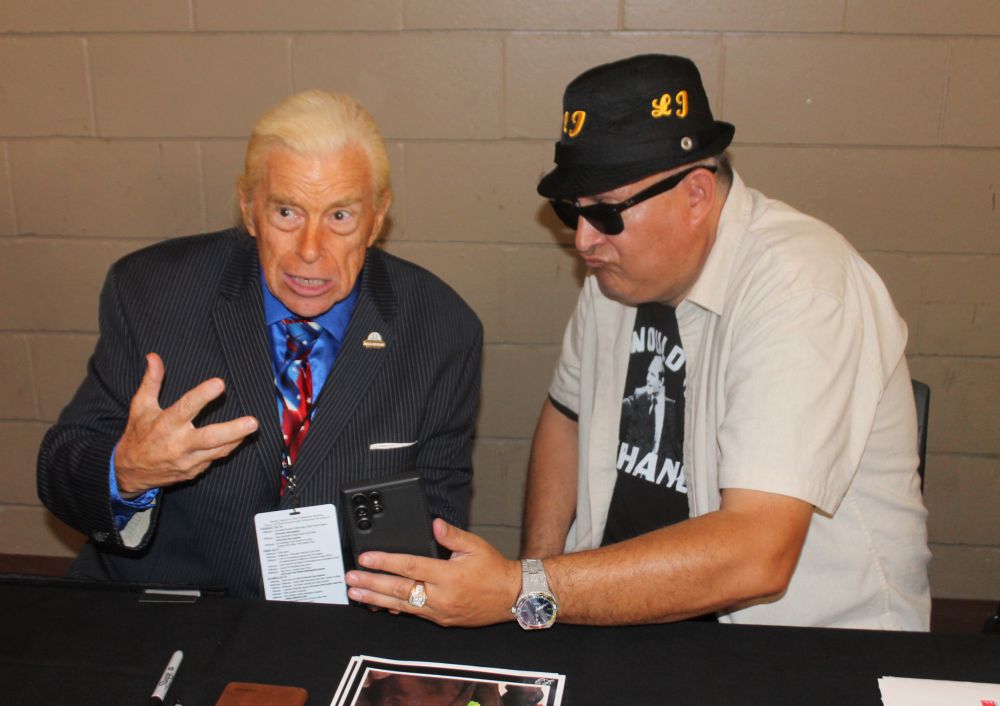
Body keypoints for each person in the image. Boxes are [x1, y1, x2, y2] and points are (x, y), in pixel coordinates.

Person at [345, 54, 931, 630]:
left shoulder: (802, 287)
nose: (583, 240)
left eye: (606, 213)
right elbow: (565, 417)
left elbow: (758, 554)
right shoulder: (616, 275)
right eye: (570, 211)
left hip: (801, 649)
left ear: (697, 195)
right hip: (617, 609)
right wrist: (539, 579)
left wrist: (522, 593)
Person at [37, 90, 483, 599]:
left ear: (377, 218)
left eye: (340, 217)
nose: (311, 250)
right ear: (248, 208)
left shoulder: (442, 328)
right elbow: (60, 470)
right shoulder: (150, 293)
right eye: (287, 213)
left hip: (340, 619)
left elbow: (438, 518)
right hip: (167, 607)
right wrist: (126, 470)